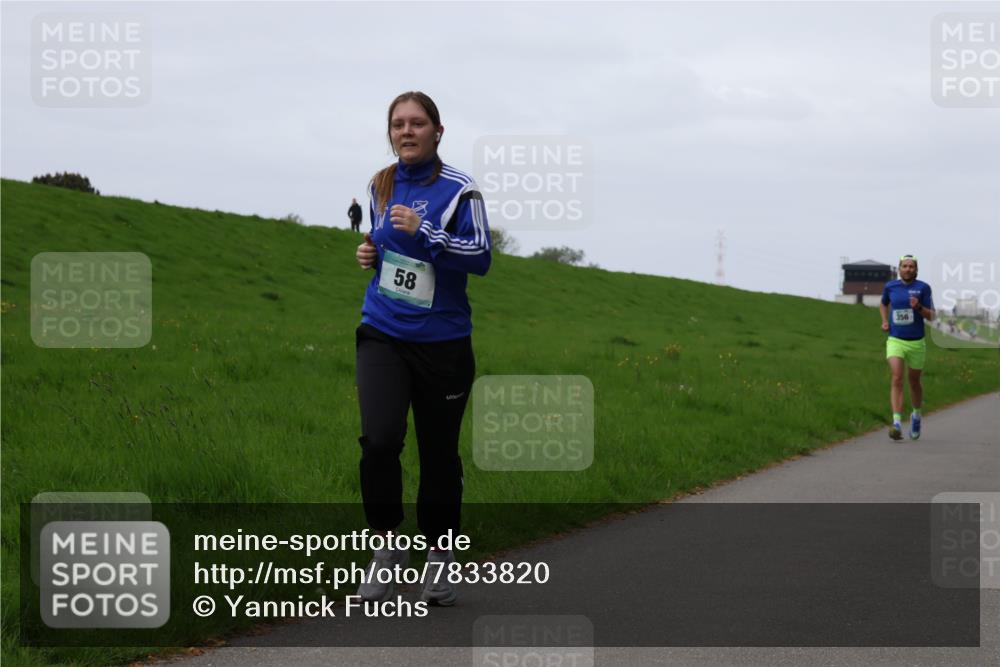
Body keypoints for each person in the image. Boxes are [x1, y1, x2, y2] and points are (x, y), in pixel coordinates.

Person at [353, 91, 491, 606]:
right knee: (380, 442)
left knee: (438, 456)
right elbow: (385, 244)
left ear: (438, 131)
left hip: (444, 344)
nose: (406, 132)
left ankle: (440, 554)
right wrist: (370, 252)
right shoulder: (379, 184)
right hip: (383, 331)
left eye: (416, 123)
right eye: (397, 124)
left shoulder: (460, 189)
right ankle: (386, 548)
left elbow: (480, 256)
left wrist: (428, 230)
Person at [880, 255, 935, 441]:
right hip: (895, 339)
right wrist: (885, 321)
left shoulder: (923, 288)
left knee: (914, 381)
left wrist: (918, 307)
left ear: (916, 270)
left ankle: (916, 415)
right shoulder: (890, 287)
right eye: (905, 266)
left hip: (917, 342)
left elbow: (932, 316)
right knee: (896, 377)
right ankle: (896, 422)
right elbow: (883, 303)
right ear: (899, 269)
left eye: (912, 266)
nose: (908, 269)